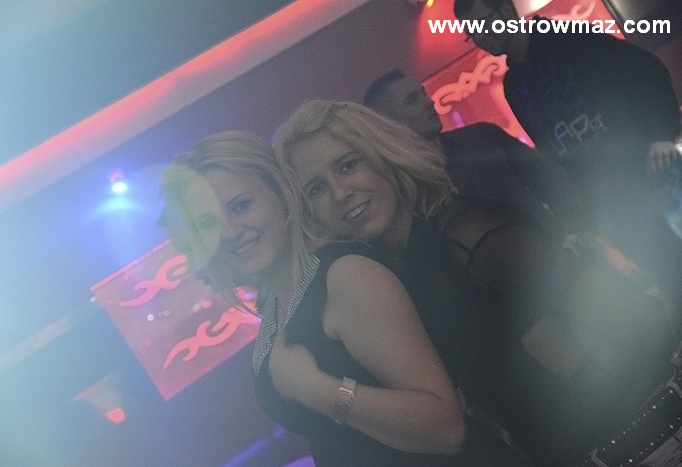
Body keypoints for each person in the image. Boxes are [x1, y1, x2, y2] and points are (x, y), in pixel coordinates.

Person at [273, 99, 681, 466]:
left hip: (648, 439)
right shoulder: (394, 275)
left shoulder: (465, 235)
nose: (340, 193)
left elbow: (636, 314)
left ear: (383, 156)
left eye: (348, 165)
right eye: (316, 189)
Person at [158, 131, 489, 466]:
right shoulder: (274, 302)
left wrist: (319, 390)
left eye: (241, 206)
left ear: (281, 193)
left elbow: (446, 430)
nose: (229, 232)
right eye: (208, 223)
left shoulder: (345, 275)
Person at [453, 0, 682, 325]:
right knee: (671, 278)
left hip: (652, 170)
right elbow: (551, 154)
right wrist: (585, 209)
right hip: (613, 199)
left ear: (504, 12)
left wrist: (661, 135)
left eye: (480, 25)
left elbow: (645, 68)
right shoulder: (514, 85)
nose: (479, 37)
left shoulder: (565, 36)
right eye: (470, 33)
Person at [363, 69, 587, 244]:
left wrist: (574, 233)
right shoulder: (402, 191)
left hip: (555, 251)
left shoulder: (483, 137)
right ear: (388, 123)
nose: (429, 101)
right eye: (412, 100)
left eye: (423, 93)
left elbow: (552, 179)